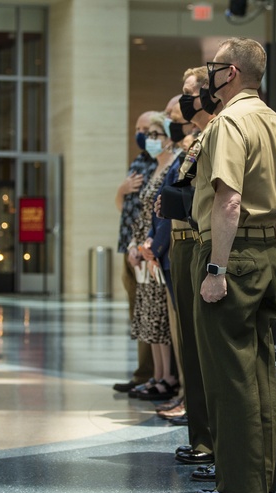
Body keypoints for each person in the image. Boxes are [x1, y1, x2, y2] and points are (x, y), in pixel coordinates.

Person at [191, 37, 276, 493]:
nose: (209, 73)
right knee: (258, 369)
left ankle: (239, 484)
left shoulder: (229, 123)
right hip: (264, 256)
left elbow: (228, 200)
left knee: (229, 374)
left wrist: (216, 268)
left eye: (214, 67)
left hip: (229, 255)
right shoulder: (274, 121)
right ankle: (260, 476)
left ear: (231, 72)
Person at [163, 67, 220, 467]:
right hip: (182, 244)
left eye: (188, 93)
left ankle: (210, 440)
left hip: (201, 243)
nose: (183, 101)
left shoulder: (216, 132)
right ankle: (201, 436)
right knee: (190, 345)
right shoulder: (196, 138)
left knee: (203, 350)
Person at [127, 112, 182, 400]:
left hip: (159, 249)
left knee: (161, 318)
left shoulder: (173, 165)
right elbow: (143, 212)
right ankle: (159, 375)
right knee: (151, 317)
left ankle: (168, 378)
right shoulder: (153, 168)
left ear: (169, 138)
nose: (149, 141)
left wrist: (152, 246)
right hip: (145, 248)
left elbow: (164, 214)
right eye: (147, 135)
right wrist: (136, 245)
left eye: (155, 135)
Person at [113, 112, 157, 393]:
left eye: (147, 130)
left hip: (144, 249)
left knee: (148, 313)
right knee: (137, 315)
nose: (141, 134)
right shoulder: (139, 161)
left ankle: (148, 375)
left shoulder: (161, 164)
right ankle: (142, 373)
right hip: (127, 246)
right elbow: (123, 205)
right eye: (137, 128)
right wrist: (122, 189)